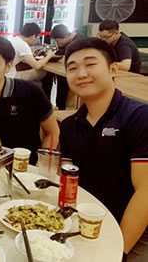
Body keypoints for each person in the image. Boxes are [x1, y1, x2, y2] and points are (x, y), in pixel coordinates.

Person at [60, 37, 148, 261]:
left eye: (90, 64)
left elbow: (145, 191)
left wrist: (119, 252)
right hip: (86, 223)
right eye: (73, 68)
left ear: (113, 69)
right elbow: (69, 180)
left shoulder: (138, 117)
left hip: (134, 233)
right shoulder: (70, 125)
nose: (81, 74)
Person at [0, 36, 59, 164]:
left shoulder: (30, 91)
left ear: (8, 66)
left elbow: (53, 132)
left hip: (25, 167)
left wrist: (41, 165)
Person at [42, 24, 86, 109]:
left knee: (63, 82)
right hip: (65, 68)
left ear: (66, 37)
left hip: (77, 70)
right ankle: (46, 105)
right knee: (46, 75)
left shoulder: (80, 41)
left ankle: (61, 107)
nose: (56, 43)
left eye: (57, 41)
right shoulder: (66, 41)